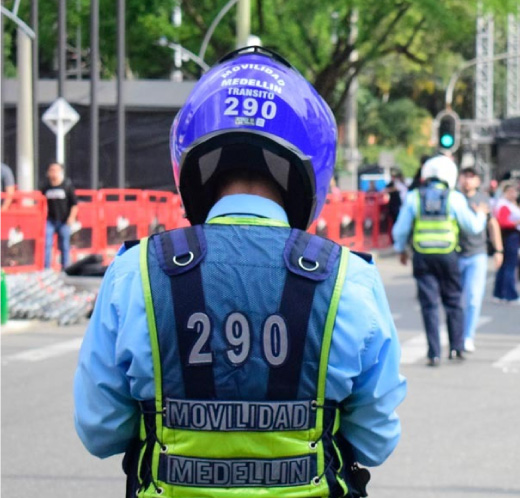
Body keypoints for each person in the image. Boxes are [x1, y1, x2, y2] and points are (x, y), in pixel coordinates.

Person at [73, 47, 406, 497]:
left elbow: (101, 432)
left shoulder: (135, 274)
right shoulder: (351, 279)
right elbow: (375, 441)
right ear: (314, 163)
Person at [392, 155, 488, 365]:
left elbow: (400, 230)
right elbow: (472, 227)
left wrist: (401, 250)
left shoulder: (414, 197)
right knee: (454, 301)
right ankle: (456, 348)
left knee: (429, 305)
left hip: (422, 257)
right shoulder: (454, 198)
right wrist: (481, 215)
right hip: (448, 256)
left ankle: (433, 353)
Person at [457, 166, 503, 352]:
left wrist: (499, 250)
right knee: (456, 300)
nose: (468, 180)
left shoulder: (483, 199)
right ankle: (457, 334)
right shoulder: (454, 198)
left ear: (477, 181)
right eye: (465, 176)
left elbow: (493, 224)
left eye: (472, 177)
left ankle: (468, 336)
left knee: (474, 299)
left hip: (477, 254)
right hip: (456, 253)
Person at [492, 182, 520, 305]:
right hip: (509, 236)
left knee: (504, 267)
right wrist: (518, 223)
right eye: (511, 192)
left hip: (510, 236)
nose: (513, 194)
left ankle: (499, 293)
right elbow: (503, 222)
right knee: (510, 267)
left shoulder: (509, 204)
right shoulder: (504, 205)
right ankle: (510, 295)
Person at [42, 162, 79, 269]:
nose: (53, 173)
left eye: (56, 170)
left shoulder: (67, 185)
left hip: (64, 220)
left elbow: (74, 204)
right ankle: (46, 267)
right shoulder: (46, 187)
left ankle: (65, 267)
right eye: (51, 170)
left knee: (64, 245)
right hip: (50, 220)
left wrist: (71, 217)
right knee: (47, 243)